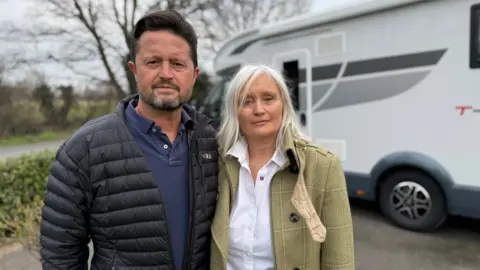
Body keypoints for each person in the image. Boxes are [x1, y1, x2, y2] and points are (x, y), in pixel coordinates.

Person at [39, 10, 219, 269]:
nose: (166, 73)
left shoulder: (213, 142)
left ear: (194, 74)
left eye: (177, 63)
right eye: (153, 62)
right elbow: (60, 254)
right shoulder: (85, 150)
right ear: (134, 69)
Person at [209, 64, 355, 270]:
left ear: (284, 105)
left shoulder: (323, 165)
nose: (259, 110)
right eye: (246, 101)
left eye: (268, 99)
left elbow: (340, 260)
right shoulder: (218, 162)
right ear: (235, 111)